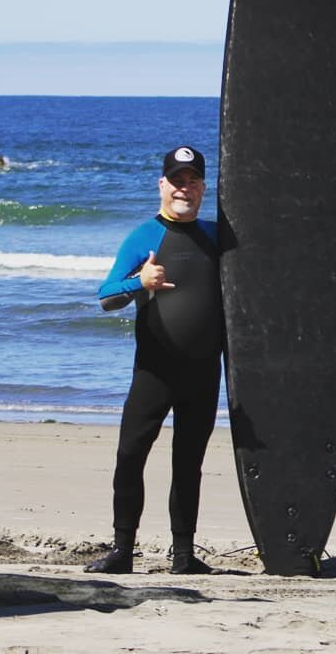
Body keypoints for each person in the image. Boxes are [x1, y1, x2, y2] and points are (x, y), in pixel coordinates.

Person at [86, 146, 222, 575]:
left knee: (189, 463)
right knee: (130, 455)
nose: (185, 188)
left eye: (193, 181)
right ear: (162, 185)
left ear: (203, 187)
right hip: (154, 369)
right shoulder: (144, 235)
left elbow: (280, 261)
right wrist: (139, 282)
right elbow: (106, 296)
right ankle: (122, 551)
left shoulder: (219, 236)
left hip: (203, 370)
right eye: (177, 180)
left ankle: (184, 556)